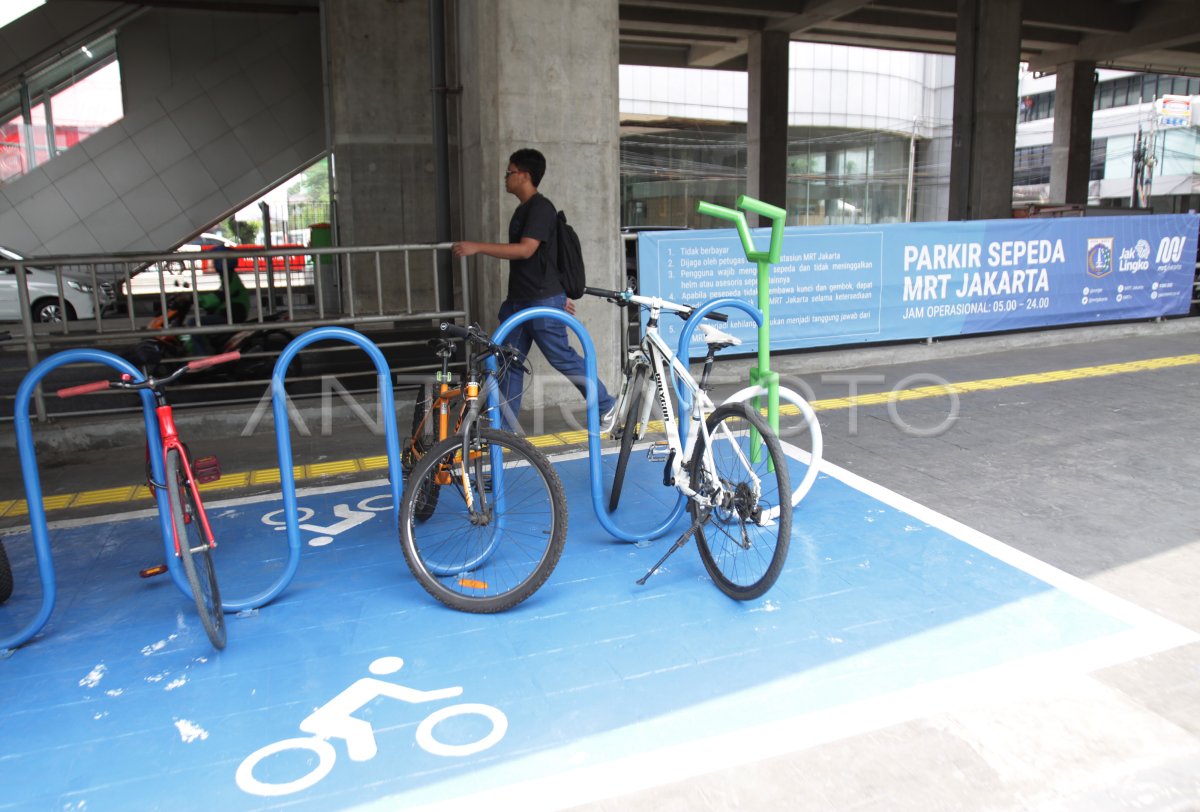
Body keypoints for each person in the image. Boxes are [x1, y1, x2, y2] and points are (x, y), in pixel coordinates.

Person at [452, 148, 616, 433]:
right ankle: (503, 433)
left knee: (561, 357)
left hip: (538, 301)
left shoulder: (541, 208)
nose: (506, 178)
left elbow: (527, 250)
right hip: (521, 302)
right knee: (508, 364)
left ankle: (605, 404)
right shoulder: (524, 210)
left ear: (525, 176)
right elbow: (545, 259)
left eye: (510, 172)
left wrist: (477, 247)